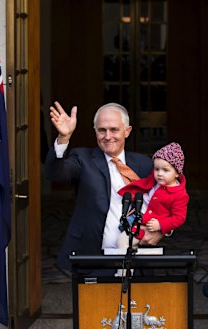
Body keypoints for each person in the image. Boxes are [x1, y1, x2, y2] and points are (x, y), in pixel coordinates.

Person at [44, 101, 156, 270]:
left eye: (114, 130)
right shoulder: (82, 158)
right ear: (95, 131)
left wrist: (162, 231)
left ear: (127, 131)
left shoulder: (145, 164)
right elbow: (55, 173)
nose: (108, 136)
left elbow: (170, 199)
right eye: (102, 130)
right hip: (92, 255)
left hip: (136, 254)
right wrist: (63, 138)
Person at [116, 142, 189, 248]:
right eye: (157, 169)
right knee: (131, 248)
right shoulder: (155, 180)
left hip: (145, 226)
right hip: (134, 218)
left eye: (165, 170)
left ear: (177, 173)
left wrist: (161, 224)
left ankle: (124, 264)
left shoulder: (179, 194)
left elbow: (179, 218)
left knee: (122, 242)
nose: (159, 173)